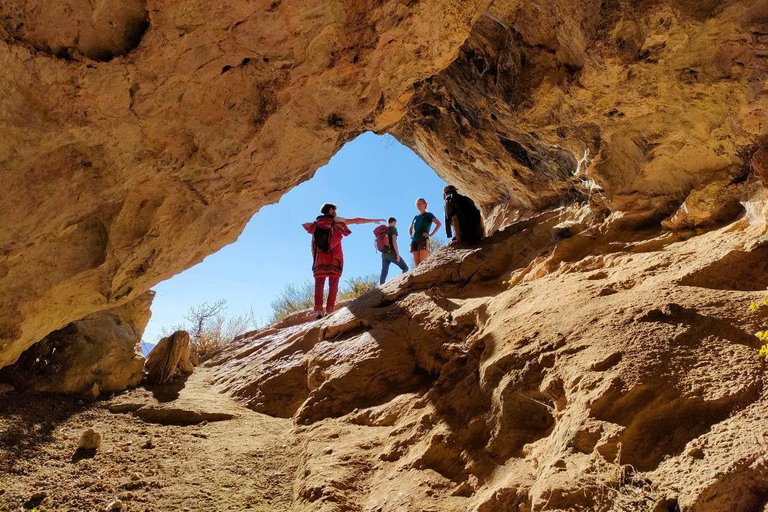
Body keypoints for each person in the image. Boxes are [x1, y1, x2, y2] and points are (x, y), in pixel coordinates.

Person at [303, 203, 385, 319]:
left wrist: (314, 259)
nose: (335, 212)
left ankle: (318, 312)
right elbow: (356, 220)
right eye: (334, 210)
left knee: (319, 284)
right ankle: (329, 311)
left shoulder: (315, 224)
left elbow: (313, 244)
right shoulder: (336, 220)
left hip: (320, 258)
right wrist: (373, 220)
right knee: (333, 282)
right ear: (331, 210)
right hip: (334, 256)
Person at [409, 197, 442, 267]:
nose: (419, 206)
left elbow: (438, 224)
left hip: (423, 239)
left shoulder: (428, 214)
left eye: (420, 204)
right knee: (416, 264)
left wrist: (430, 234)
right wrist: (411, 236)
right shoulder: (416, 217)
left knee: (423, 263)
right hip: (415, 240)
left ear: (425, 204)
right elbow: (410, 227)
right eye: (417, 204)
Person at [379, 217, 409, 284]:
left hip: (384, 254)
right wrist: (397, 254)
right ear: (394, 222)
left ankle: (381, 287)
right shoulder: (393, 228)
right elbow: (394, 241)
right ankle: (403, 283)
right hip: (391, 253)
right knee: (405, 268)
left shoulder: (384, 229)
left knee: (384, 272)